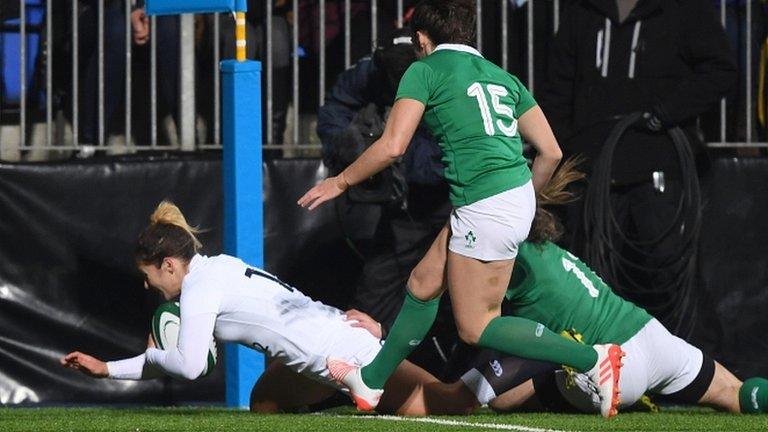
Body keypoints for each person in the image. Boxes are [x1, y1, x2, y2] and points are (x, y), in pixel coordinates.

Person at [298, 0, 623, 418]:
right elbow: (551, 151)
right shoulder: (500, 75)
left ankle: (591, 360)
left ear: (420, 38)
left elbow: (393, 146)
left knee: (477, 326)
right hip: (506, 197)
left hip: (484, 205)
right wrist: (523, 202)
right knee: (422, 282)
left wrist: (339, 181)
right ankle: (372, 381)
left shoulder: (425, 69)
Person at [538, 0, 738, 333]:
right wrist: (566, 151)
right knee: (592, 276)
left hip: (659, 166)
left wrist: (666, 112)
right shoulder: (583, 12)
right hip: (595, 170)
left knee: (669, 273)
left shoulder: (682, 10)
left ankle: (697, 368)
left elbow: (720, 71)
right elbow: (558, 88)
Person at [317, 27, 451, 334]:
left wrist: (394, 153)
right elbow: (335, 107)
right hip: (402, 214)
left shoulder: (449, 81)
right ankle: (363, 368)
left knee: (460, 300)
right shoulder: (374, 69)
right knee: (368, 303)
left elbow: (447, 155)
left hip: (452, 207)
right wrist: (347, 143)